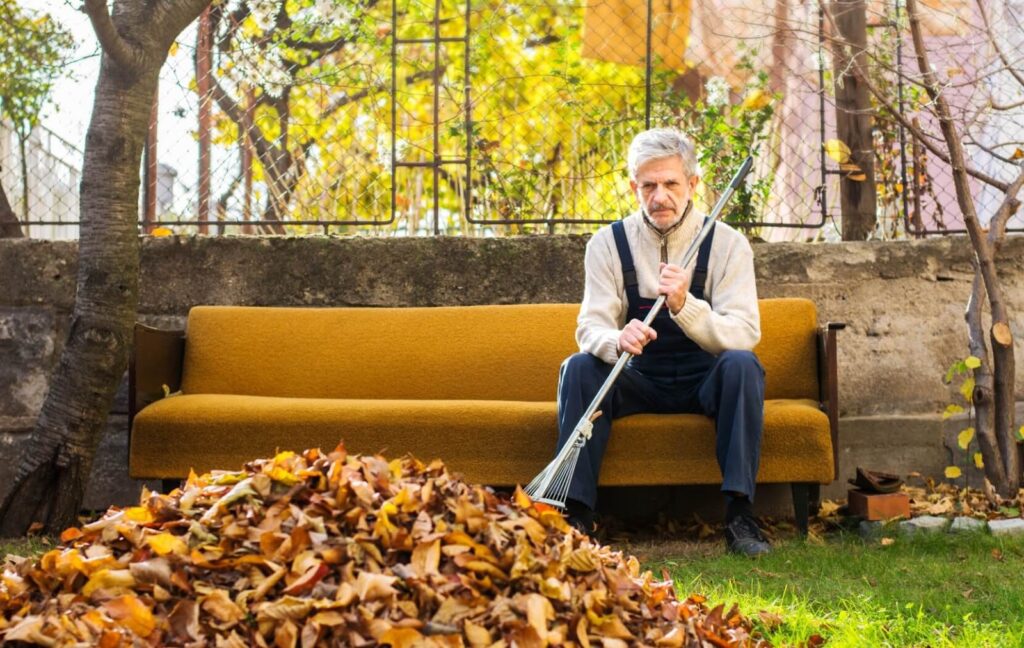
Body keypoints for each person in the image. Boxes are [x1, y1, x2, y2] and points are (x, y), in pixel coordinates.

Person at [554, 127, 769, 556]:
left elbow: (745, 331)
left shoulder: (727, 245)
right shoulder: (608, 244)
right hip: (639, 377)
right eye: (648, 185)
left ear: (692, 184)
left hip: (705, 376)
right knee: (578, 366)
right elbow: (589, 327)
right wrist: (617, 338)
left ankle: (741, 514)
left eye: (671, 184)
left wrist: (686, 306)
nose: (659, 197)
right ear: (633, 186)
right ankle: (576, 513)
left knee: (743, 365)